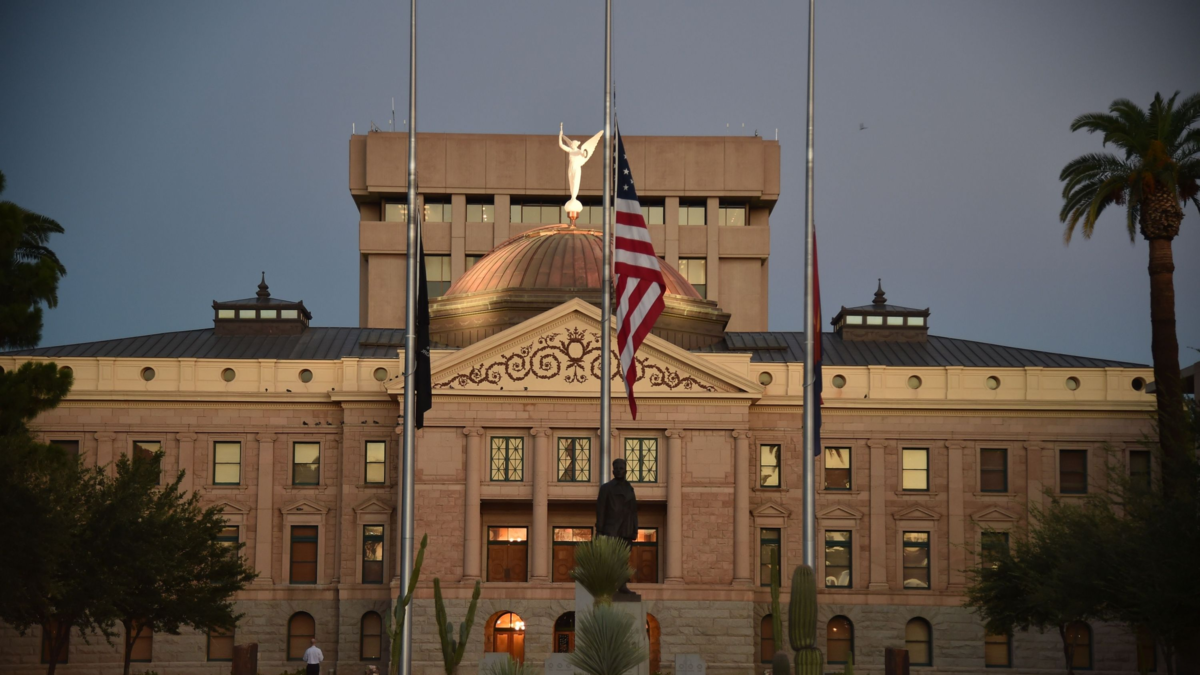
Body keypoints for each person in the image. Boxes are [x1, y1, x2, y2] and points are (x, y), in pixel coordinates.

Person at [596, 458, 639, 594]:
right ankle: (610, 585)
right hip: (612, 529)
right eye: (616, 469)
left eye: (621, 468)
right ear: (613, 471)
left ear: (626, 470)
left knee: (623, 559)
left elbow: (633, 510)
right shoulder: (606, 488)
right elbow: (601, 510)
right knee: (611, 559)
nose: (619, 471)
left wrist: (635, 529)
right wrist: (600, 530)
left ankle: (622, 585)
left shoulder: (630, 488)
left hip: (626, 529)